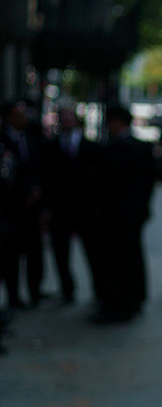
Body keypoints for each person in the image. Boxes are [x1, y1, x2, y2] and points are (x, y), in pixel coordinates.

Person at [92, 105, 156, 324]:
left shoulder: (116, 148)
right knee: (132, 256)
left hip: (117, 215)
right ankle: (134, 300)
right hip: (132, 214)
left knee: (119, 260)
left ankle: (121, 304)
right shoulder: (140, 147)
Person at [43, 105, 98, 305]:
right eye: (63, 118)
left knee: (92, 252)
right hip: (60, 209)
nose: (66, 121)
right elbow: (46, 178)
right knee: (60, 253)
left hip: (84, 209)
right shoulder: (50, 147)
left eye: (70, 117)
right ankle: (68, 290)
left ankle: (98, 291)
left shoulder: (91, 147)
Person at [0, 100, 46, 309]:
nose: (24, 118)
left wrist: (37, 191)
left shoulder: (32, 136)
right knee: (11, 256)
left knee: (35, 252)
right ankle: (14, 296)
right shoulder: (4, 140)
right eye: (19, 114)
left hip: (32, 208)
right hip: (11, 208)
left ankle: (35, 292)